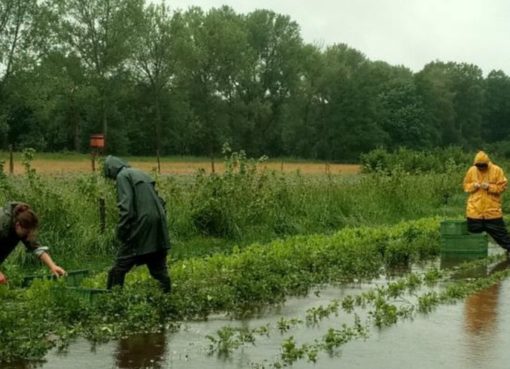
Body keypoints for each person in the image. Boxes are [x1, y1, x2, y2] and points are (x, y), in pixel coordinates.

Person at [103, 155, 171, 292]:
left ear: (111, 170)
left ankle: (112, 299)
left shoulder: (122, 176)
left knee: (120, 266)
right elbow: (161, 201)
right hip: (158, 222)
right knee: (157, 265)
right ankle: (167, 294)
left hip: (142, 224)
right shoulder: (141, 173)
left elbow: (126, 209)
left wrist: (122, 231)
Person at [0, 202, 66, 284]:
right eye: (26, 232)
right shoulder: (2, 224)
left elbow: (36, 248)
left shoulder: (22, 223)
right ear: (17, 225)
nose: (28, 236)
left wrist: (53, 266)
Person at [463, 150, 510, 252]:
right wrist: (473, 186)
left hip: (492, 212)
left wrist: (489, 187)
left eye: (483, 165)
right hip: (474, 212)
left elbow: (502, 187)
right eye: (478, 166)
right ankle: (473, 257)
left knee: (504, 238)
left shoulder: (497, 170)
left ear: (487, 163)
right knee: (472, 238)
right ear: (475, 164)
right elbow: (466, 186)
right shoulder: (472, 170)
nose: (480, 167)